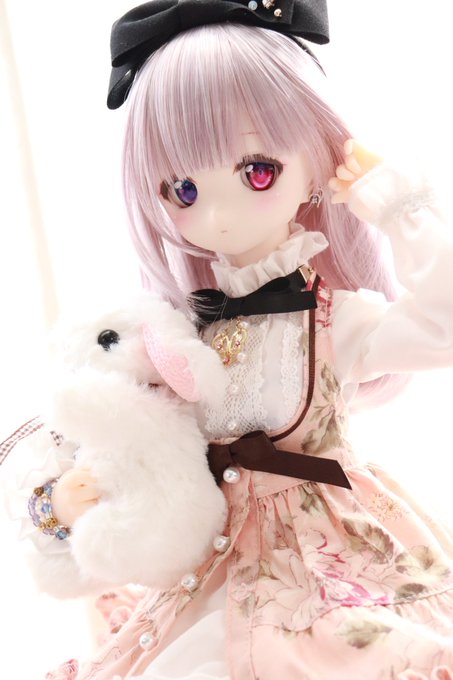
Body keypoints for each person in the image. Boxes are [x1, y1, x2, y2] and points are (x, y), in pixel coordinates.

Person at [5, 1, 453, 678]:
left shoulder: (334, 320)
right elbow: (112, 447)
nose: (216, 214)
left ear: (316, 165)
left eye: (257, 172)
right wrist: (64, 504)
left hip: (330, 564)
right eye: (182, 189)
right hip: (214, 564)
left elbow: (440, 327)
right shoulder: (178, 338)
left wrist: (399, 209)